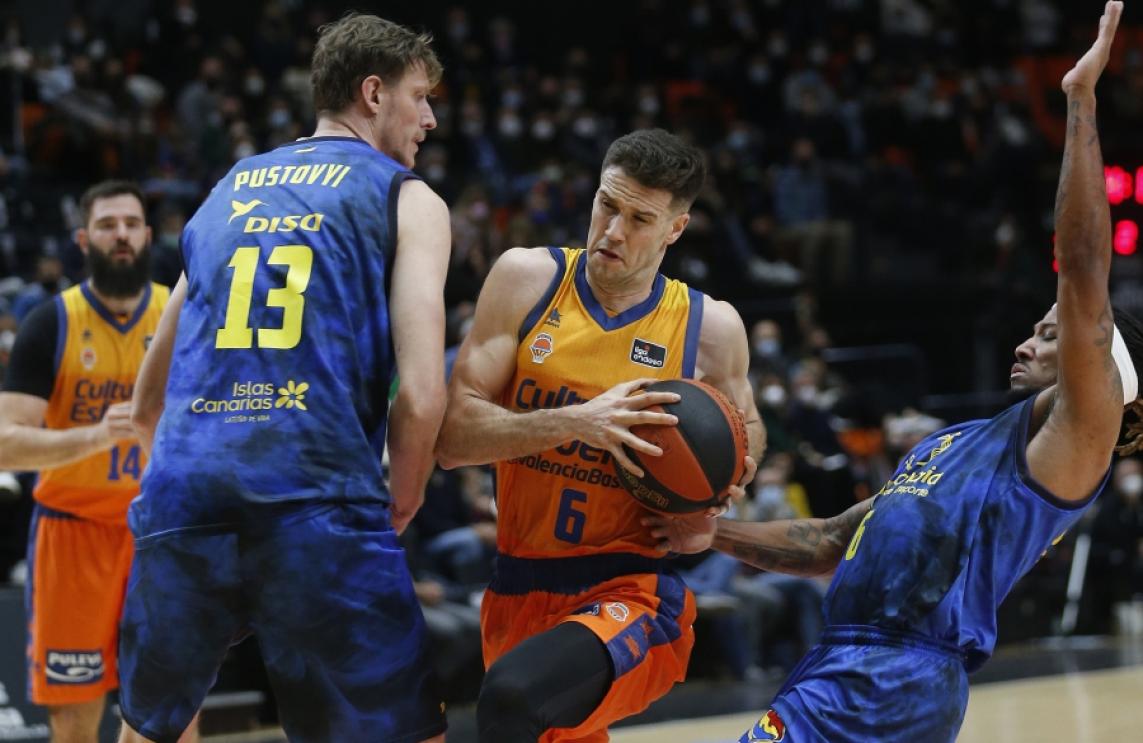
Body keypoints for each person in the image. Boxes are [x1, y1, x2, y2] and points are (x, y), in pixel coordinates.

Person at [646, 5, 1143, 741]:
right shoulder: (953, 443)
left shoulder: (1076, 440)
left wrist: (1078, 102)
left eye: (1051, 335)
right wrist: (709, 531)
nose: (1025, 343)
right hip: (841, 663)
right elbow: (829, 539)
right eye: (1035, 330)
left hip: (894, 675)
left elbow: (1081, 265)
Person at [116, 14, 451, 743]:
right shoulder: (406, 197)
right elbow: (424, 394)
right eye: (419, 96)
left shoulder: (227, 190)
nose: (428, 118)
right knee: (401, 731)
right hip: (314, 495)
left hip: (186, 491)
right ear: (373, 93)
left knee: (150, 728)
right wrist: (403, 496)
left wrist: (185, 484)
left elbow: (146, 401)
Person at [435, 128, 765, 742]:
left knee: (511, 700)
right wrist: (579, 421)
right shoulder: (527, 280)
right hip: (518, 581)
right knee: (526, 716)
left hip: (631, 587)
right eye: (607, 206)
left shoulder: (709, 326)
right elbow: (454, 440)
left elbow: (745, 432)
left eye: (640, 219)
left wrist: (712, 505)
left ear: (675, 229)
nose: (614, 231)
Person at [0, 181, 188, 742]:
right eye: (107, 225)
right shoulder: (50, 322)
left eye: (130, 224)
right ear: (84, 240)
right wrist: (96, 436)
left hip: (161, 532)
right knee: (74, 718)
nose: (121, 235)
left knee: (173, 714)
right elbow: (5, 442)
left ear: (148, 235)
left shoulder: (183, 315)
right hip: (73, 534)